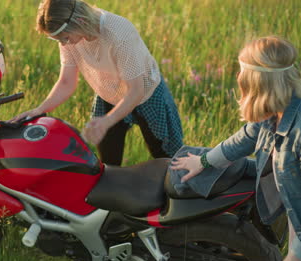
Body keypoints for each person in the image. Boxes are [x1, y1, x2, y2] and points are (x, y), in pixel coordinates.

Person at [171, 36, 301, 261]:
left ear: (259, 81)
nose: (238, 77)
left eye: (242, 72)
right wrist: (203, 161)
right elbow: (248, 136)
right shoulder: (281, 103)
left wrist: (295, 258)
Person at [11, 0, 183, 165]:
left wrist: (107, 121)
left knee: (166, 158)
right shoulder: (70, 38)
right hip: (109, 94)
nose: (63, 44)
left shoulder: (118, 33)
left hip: (146, 94)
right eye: (58, 40)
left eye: (65, 37)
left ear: (79, 21)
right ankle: (115, 193)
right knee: (108, 162)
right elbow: (66, 82)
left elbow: (136, 90)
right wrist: (40, 110)